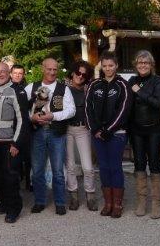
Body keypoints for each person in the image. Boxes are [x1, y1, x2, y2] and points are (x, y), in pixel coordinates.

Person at [26, 58, 76, 215]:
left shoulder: (64, 89)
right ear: (43, 69)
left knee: (58, 170)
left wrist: (53, 116)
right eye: (49, 69)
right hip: (37, 132)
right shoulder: (31, 87)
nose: (52, 72)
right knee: (37, 170)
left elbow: (71, 110)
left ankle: (60, 202)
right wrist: (31, 118)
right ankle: (39, 201)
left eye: (55, 69)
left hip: (56, 132)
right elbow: (21, 109)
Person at [86, 51, 132, 218]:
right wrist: (95, 129)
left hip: (117, 133)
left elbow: (124, 110)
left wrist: (109, 130)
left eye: (111, 65)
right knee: (103, 167)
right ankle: (108, 203)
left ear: (116, 66)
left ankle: (117, 204)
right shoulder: (94, 84)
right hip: (98, 134)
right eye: (104, 66)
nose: (108, 68)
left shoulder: (123, 85)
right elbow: (88, 108)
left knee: (115, 167)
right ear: (101, 66)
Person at [128, 50, 160, 219]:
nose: (142, 65)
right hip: (136, 130)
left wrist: (138, 91)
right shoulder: (132, 80)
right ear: (135, 65)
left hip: (154, 130)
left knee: (155, 164)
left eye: (146, 62)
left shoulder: (159, 81)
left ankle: (156, 203)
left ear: (151, 65)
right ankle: (142, 201)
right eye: (139, 62)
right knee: (139, 164)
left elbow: (156, 102)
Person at [0, 62, 24, 223]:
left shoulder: (16, 91)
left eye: (3, 72)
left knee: (10, 177)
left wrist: (16, 143)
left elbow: (22, 120)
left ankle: (14, 208)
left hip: (9, 143)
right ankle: (4, 202)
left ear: (8, 73)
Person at [64, 60, 97, 211]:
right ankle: (74, 196)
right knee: (70, 165)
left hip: (83, 129)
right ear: (73, 73)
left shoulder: (88, 90)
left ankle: (90, 195)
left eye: (84, 74)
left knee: (88, 167)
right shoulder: (64, 90)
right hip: (67, 129)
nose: (80, 76)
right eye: (78, 73)